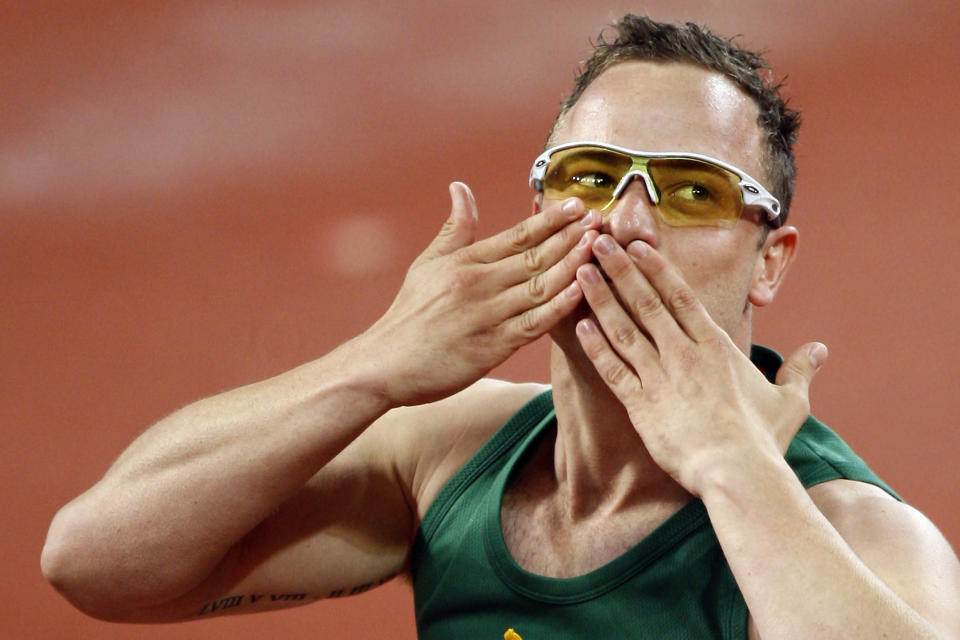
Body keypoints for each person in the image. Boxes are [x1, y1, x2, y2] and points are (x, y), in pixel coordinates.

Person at [41, 14, 960, 639]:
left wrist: (735, 471)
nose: (626, 226)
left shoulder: (851, 531)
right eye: (593, 177)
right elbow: (94, 560)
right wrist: (375, 365)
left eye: (691, 191)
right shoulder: (449, 456)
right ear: (539, 206)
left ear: (771, 259)